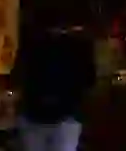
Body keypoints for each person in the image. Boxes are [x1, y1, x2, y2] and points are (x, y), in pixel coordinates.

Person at [13, 9, 96, 151]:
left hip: (35, 114)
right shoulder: (79, 45)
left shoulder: (32, 42)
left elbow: (19, 75)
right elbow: (89, 79)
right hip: (65, 115)